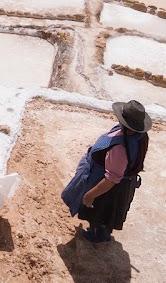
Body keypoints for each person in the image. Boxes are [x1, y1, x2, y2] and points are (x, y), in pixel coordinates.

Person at [61, 100, 151, 243]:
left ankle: (98, 235)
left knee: (100, 213)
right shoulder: (140, 136)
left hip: (109, 189)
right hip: (119, 182)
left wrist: (90, 195)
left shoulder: (120, 150)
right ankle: (100, 230)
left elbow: (110, 180)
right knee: (105, 213)